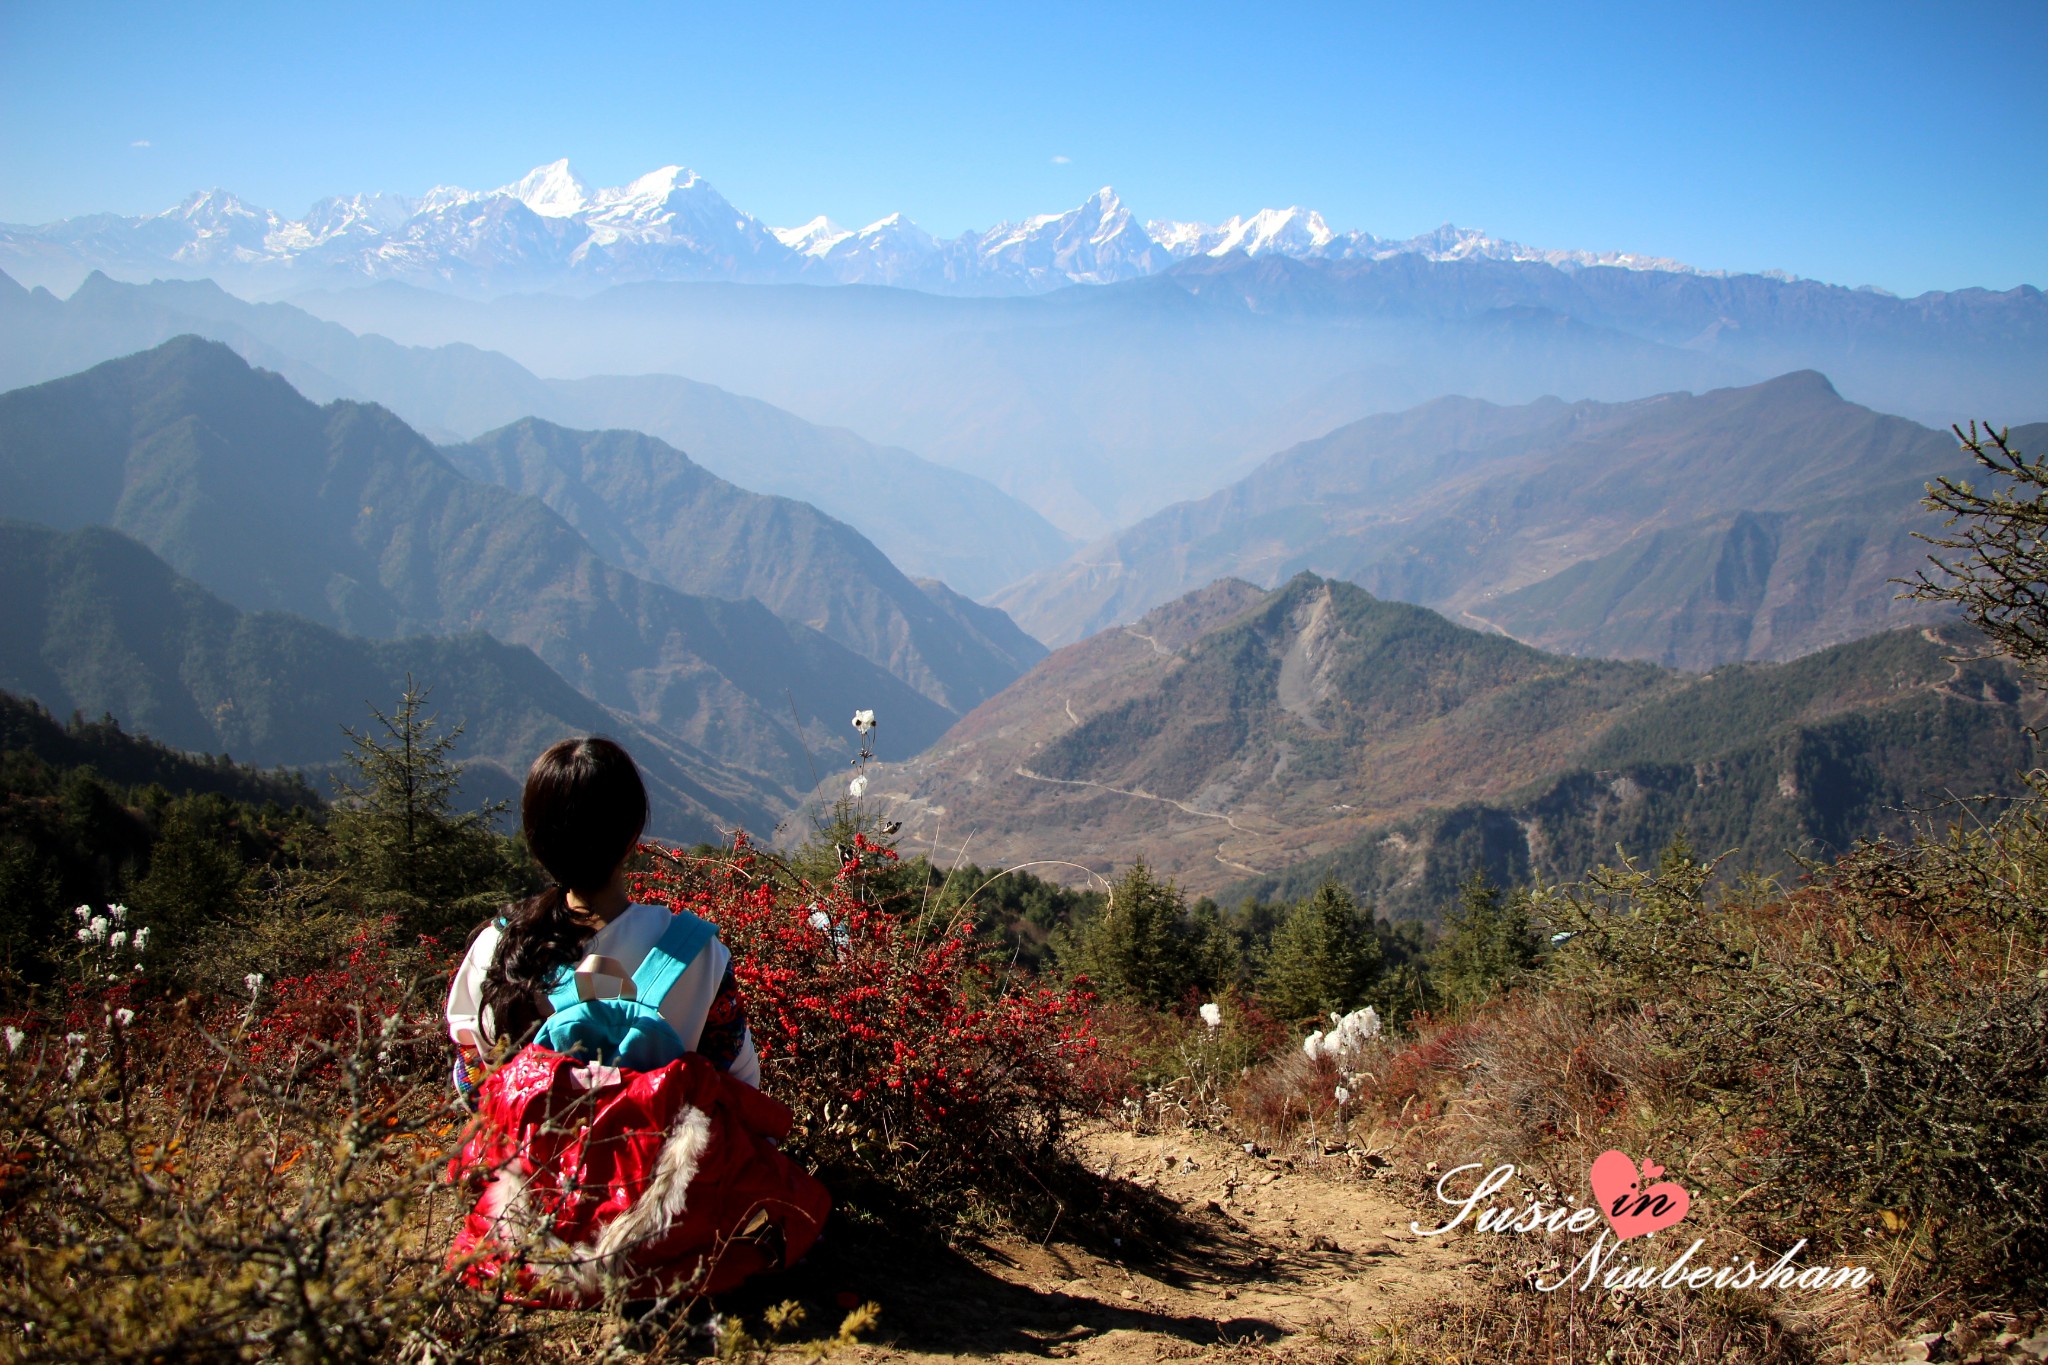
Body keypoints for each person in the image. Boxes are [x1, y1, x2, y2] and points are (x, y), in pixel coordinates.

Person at [444, 735, 759, 1095]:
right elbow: (740, 1087)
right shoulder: (700, 957)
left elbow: (473, 1084)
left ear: (536, 841)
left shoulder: (496, 950)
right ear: (631, 838)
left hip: (528, 1149)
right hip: (654, 1151)